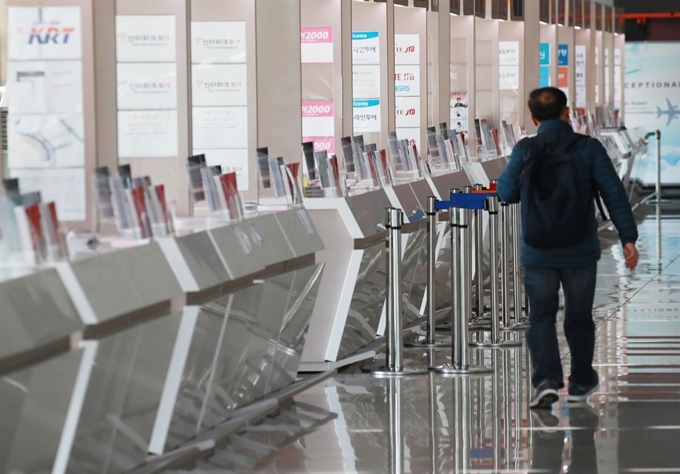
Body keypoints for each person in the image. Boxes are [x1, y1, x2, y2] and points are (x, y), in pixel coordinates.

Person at [497, 87, 639, 409]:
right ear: (567, 112)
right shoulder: (588, 148)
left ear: (533, 118)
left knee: (542, 316)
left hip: (538, 252)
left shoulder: (525, 149)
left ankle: (546, 380)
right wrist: (627, 238)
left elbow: (505, 194)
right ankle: (580, 382)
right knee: (578, 316)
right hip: (579, 250)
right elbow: (613, 193)